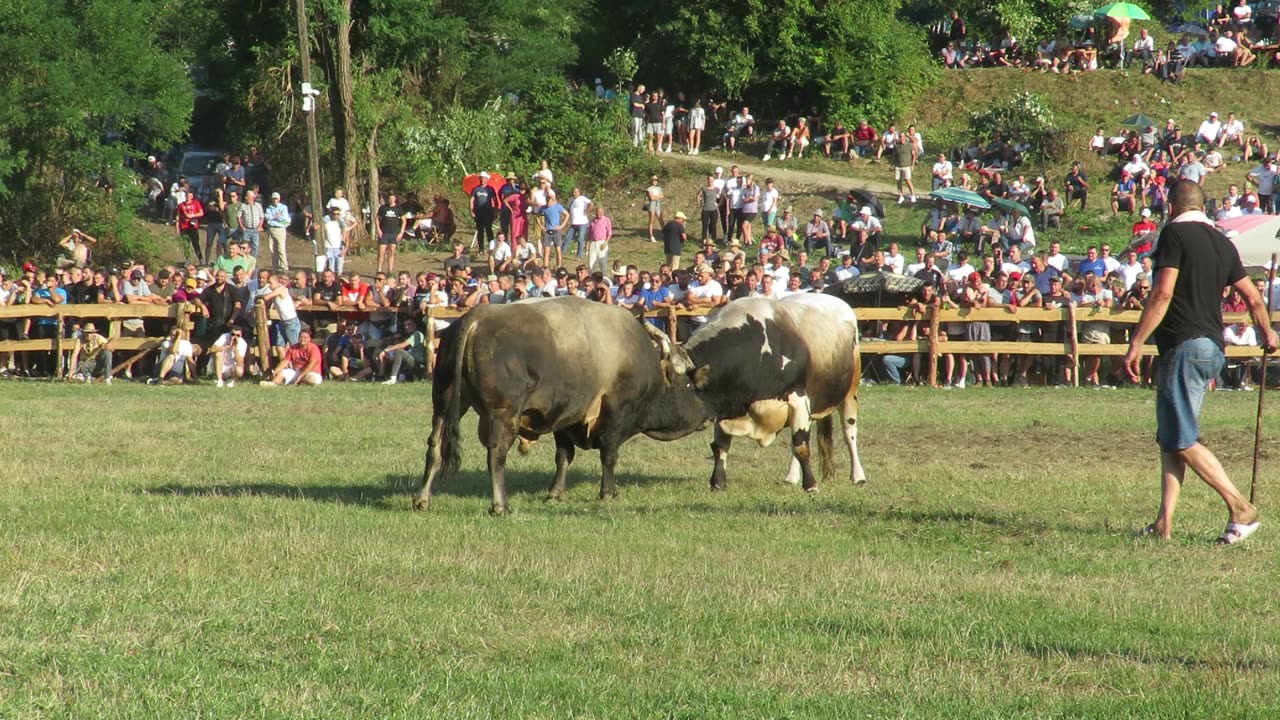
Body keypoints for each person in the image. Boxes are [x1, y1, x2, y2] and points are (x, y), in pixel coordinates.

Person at [1123, 180, 1277, 544]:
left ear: (1173, 206)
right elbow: (1254, 298)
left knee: (1181, 438)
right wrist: (1267, 333)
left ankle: (1241, 507)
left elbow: (1162, 293)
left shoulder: (1174, 236)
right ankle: (1164, 524)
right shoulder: (1223, 242)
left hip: (1184, 346)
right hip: (1211, 348)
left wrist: (1136, 342)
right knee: (1172, 438)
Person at [378, 318, 427, 384]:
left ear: (414, 325)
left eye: (409, 325)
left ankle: (393, 378)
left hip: (419, 365)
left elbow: (403, 345)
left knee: (400, 351)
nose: (406, 327)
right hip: (414, 363)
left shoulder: (417, 334)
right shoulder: (412, 335)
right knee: (400, 354)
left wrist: (386, 350)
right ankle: (401, 378)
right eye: (405, 325)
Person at [377, 193, 408, 275]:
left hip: (394, 233)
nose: (391, 200)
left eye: (393, 198)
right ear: (388, 199)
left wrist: (401, 232)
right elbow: (377, 218)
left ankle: (390, 271)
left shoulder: (398, 208)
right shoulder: (383, 208)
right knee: (381, 252)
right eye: (390, 198)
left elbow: (404, 221)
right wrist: (378, 229)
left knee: (392, 252)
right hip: (384, 233)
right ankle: (379, 270)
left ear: (395, 199)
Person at [208, 324, 248, 388]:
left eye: (238, 335)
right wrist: (227, 347)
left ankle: (232, 381)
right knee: (218, 353)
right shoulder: (224, 336)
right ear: (230, 333)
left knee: (239, 370)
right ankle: (219, 380)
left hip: (231, 368)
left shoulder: (243, 343)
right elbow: (212, 349)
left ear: (241, 335)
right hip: (219, 365)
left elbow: (240, 363)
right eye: (233, 334)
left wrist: (235, 348)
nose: (235, 337)